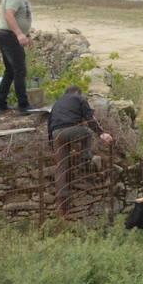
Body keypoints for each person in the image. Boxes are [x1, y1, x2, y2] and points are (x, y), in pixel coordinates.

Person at [49, 85, 114, 213]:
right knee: (87, 132)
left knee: (62, 166)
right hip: (71, 130)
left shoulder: (56, 103)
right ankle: (85, 155)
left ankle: (62, 199)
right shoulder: (80, 99)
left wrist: (51, 144)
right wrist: (101, 133)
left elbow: (49, 124)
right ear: (78, 92)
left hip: (56, 134)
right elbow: (90, 119)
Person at [0, 0, 36, 114]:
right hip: (9, 37)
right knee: (19, 70)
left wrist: (26, 34)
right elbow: (9, 15)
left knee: (11, 72)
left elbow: (20, 17)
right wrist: (19, 34)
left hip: (9, 36)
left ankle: (0, 104)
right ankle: (23, 105)